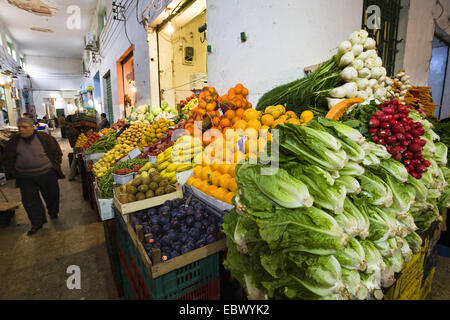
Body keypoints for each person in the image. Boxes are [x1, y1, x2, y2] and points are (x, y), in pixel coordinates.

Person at [3, 118, 65, 235]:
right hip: (25, 177)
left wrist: (55, 166)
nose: (21, 129)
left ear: (32, 127)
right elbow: (7, 158)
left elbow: (57, 151)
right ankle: (37, 223)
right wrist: (14, 171)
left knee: (51, 194)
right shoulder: (14, 141)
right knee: (30, 201)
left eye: (24, 127)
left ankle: (53, 211)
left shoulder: (44, 138)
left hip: (46, 173)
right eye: (19, 127)